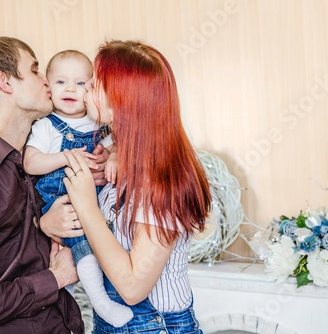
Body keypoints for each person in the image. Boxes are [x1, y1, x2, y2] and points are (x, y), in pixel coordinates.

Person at [0, 36, 108, 333]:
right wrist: (56, 278)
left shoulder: (41, 149)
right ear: (5, 82)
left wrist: (45, 222)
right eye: (35, 70)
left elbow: (19, 238)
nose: (46, 81)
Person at [44, 40, 212, 333]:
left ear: (121, 101)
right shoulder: (117, 157)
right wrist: (50, 222)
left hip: (154, 326)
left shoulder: (162, 177)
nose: (85, 91)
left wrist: (85, 205)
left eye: (94, 85)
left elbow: (133, 287)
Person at [24, 50, 132, 327]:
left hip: (94, 206)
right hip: (63, 203)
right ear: (48, 86)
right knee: (77, 250)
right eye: (61, 82)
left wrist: (116, 158)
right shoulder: (47, 126)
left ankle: (93, 302)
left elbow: (118, 146)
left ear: (92, 89)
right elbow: (31, 162)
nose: (70, 89)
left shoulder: (98, 122)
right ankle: (100, 303)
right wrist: (65, 157)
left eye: (81, 83)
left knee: (105, 249)